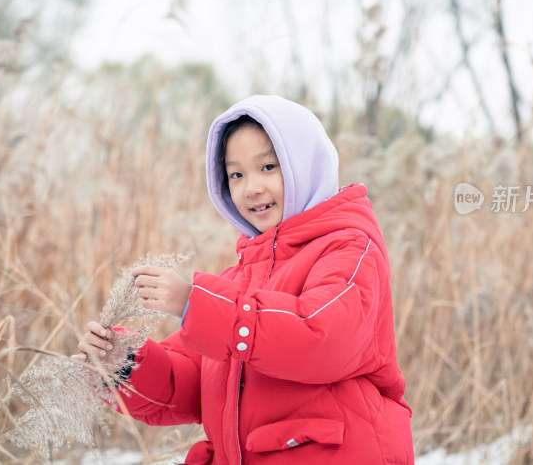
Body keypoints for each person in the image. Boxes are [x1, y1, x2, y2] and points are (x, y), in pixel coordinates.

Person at [75, 95, 414, 464]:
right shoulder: (241, 278)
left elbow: (320, 336)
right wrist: (125, 362)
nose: (251, 187)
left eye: (268, 166)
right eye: (236, 174)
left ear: (305, 164)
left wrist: (193, 302)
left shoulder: (348, 248)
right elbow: (188, 384)